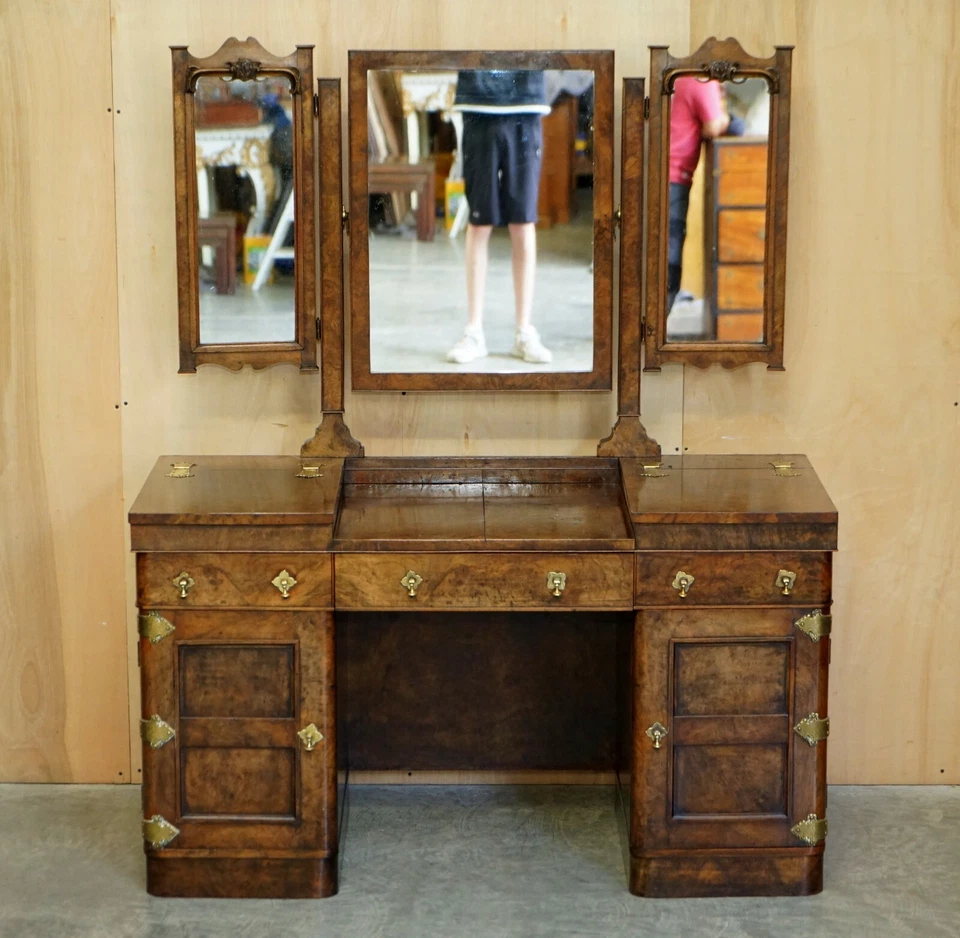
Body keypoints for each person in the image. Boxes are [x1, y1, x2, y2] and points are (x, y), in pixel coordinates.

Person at [447, 70, 553, 364]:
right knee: (479, 223)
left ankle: (524, 331)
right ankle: (474, 332)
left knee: (523, 222)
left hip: (526, 103)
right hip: (478, 103)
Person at [667, 77, 743, 314]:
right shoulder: (702, 81)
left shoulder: (682, 77)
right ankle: (656, 330)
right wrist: (731, 121)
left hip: (661, 170)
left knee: (659, 251)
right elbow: (714, 125)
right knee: (670, 255)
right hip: (673, 176)